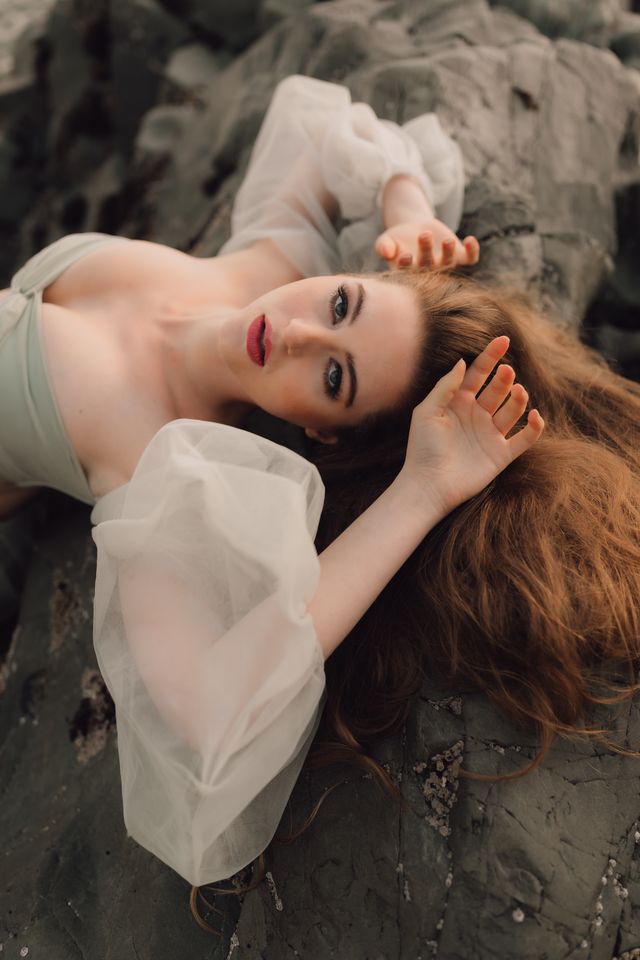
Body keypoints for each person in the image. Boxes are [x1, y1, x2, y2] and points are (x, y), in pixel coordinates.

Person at [0, 71, 630, 906]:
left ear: (323, 432)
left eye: (333, 376)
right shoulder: (268, 268)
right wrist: (407, 206)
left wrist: (424, 489)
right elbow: (319, 123)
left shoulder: (162, 464)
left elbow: (210, 714)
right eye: (343, 303)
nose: (294, 332)